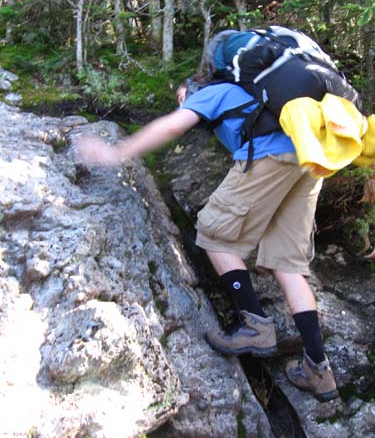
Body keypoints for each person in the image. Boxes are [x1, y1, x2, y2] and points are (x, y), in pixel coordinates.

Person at [75, 73, 340, 403]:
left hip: (270, 155)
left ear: (192, 87)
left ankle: (256, 327)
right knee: (288, 265)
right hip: (310, 161)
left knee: (215, 237)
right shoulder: (254, 97)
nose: (180, 101)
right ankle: (318, 368)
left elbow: (173, 126)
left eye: (180, 95)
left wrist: (118, 152)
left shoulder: (212, 92)